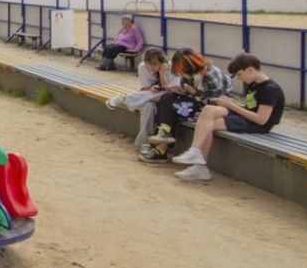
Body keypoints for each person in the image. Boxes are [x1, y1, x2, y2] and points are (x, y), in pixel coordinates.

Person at [167, 53, 284, 183]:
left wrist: (231, 105)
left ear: (250, 69)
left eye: (239, 74)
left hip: (257, 125)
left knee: (208, 123)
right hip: (247, 117)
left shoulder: (270, 89)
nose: (239, 78)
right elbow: (250, 107)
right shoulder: (251, 83)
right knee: (208, 111)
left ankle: (199, 164)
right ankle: (195, 153)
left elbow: (261, 119)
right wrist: (232, 103)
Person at [147, 48, 235, 164]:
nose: (181, 74)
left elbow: (215, 101)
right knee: (167, 97)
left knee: (174, 108)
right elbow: (186, 88)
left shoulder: (212, 74)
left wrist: (193, 92)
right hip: (197, 103)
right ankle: (164, 132)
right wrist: (180, 90)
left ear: (190, 66)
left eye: (182, 70)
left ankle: (161, 148)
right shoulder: (190, 74)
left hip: (214, 109)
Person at [105, 47, 182, 162]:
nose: (151, 68)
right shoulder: (143, 66)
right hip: (151, 97)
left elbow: (172, 92)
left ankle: (125, 98)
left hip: (169, 100)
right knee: (148, 107)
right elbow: (145, 89)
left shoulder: (173, 68)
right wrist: (152, 88)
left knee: (164, 95)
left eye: (154, 65)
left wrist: (162, 73)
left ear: (162, 62)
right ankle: (145, 143)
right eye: (149, 65)